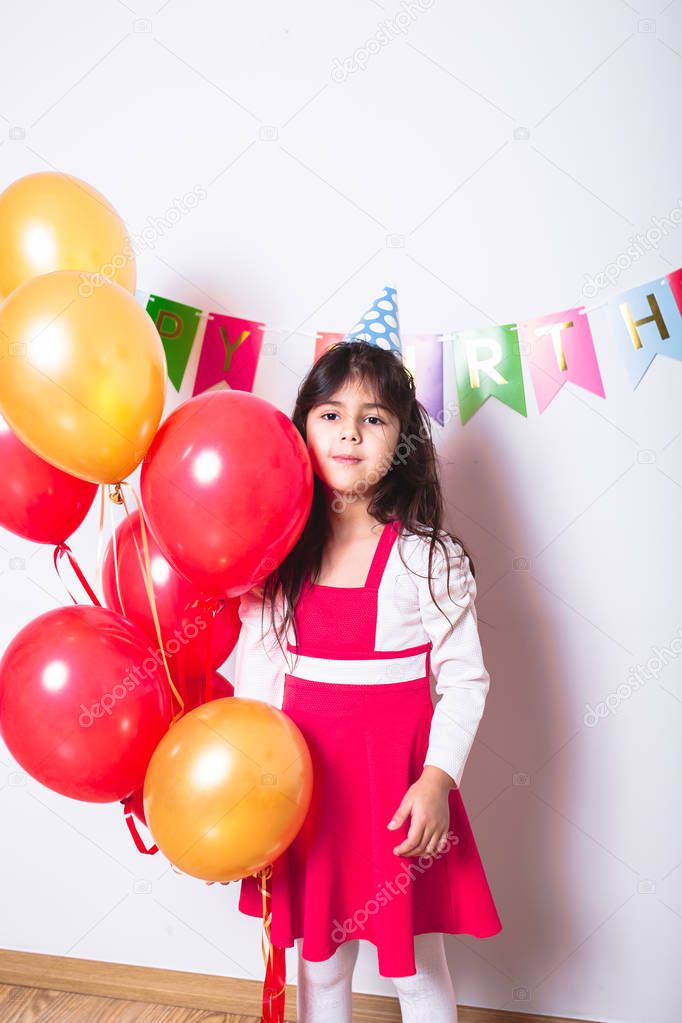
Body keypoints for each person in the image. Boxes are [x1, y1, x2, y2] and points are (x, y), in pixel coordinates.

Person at [233, 338, 502, 1022]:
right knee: (320, 963)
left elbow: (466, 679)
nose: (350, 430)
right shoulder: (276, 555)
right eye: (331, 413)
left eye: (374, 417)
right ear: (301, 427)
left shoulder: (424, 558)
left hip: (396, 792)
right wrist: (252, 787)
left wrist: (437, 780)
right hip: (307, 789)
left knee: (413, 967)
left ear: (403, 441)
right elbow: (259, 673)